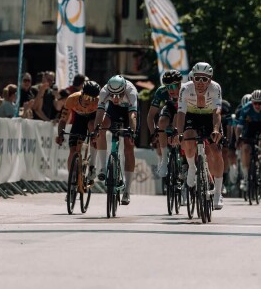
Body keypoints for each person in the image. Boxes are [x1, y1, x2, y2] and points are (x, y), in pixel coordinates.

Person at [173, 62, 225, 210]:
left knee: (216, 150)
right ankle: (191, 167)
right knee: (188, 137)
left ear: (210, 79)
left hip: (210, 117)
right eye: (197, 78)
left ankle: (218, 193)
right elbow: (181, 113)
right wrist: (179, 132)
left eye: (204, 79)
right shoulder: (185, 89)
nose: (201, 82)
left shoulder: (216, 88)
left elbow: (216, 112)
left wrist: (215, 130)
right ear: (192, 78)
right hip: (192, 116)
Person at [94, 75, 139, 205]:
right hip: (114, 110)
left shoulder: (131, 91)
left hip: (129, 113)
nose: (115, 98)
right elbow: (100, 112)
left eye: (119, 95)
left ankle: (127, 191)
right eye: (112, 95)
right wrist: (97, 129)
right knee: (101, 129)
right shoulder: (104, 92)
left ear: (124, 90)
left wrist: (132, 132)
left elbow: (133, 115)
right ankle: (103, 168)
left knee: (128, 145)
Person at [57, 80, 101, 184]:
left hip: (93, 118)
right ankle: (71, 180)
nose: (88, 101)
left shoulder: (99, 102)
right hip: (79, 119)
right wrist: (60, 134)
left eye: (92, 99)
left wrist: (96, 133)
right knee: (73, 150)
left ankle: (92, 166)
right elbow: (63, 120)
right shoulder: (72, 99)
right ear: (81, 93)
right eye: (86, 97)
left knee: (91, 126)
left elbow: (101, 120)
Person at [235, 89, 261, 193]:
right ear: (251, 102)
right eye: (255, 103)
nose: (257, 105)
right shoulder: (246, 108)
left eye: (260, 103)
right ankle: (245, 178)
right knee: (245, 149)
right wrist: (238, 139)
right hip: (250, 127)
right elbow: (239, 127)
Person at [147, 69, 182, 178]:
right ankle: (164, 159)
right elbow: (150, 116)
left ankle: (185, 161)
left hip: (183, 110)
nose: (170, 90)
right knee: (161, 122)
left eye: (173, 86)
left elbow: (180, 113)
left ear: (180, 84)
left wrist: (176, 129)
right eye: (167, 86)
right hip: (170, 108)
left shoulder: (185, 90)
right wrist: (153, 133)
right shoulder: (161, 92)